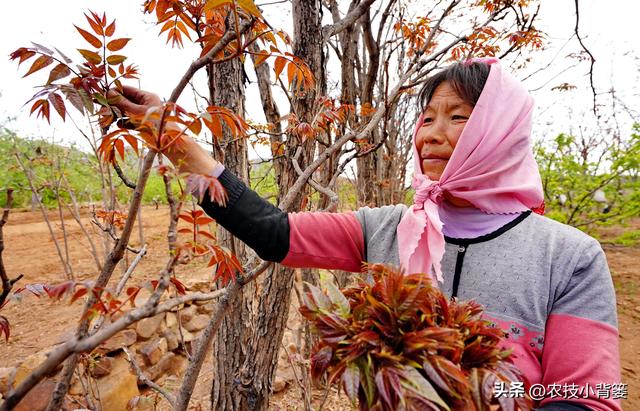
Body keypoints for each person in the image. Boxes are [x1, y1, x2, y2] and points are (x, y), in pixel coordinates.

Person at [113, 58, 621, 411]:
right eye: (426, 118)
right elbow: (272, 231)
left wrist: (484, 393)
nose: (430, 134)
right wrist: (169, 135)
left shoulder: (569, 256)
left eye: (459, 117)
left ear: (500, 134)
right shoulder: (387, 227)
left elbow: (598, 399)